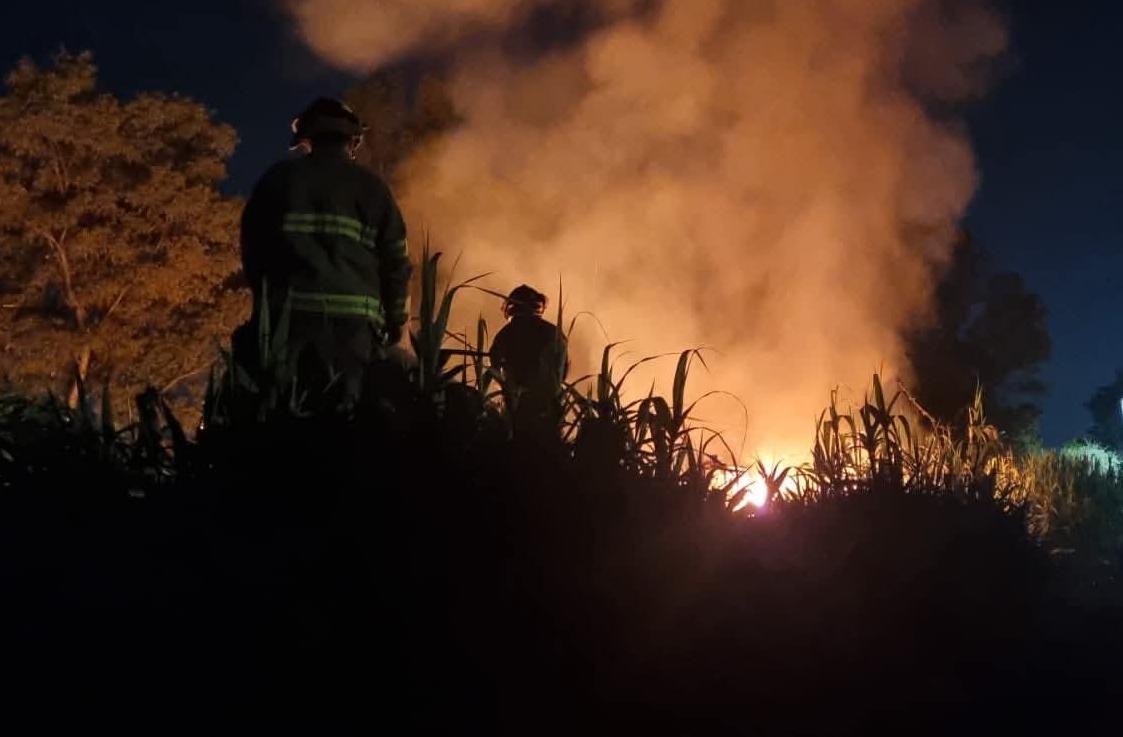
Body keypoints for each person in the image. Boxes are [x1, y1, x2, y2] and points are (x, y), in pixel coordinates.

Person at [235, 97, 412, 409]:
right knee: (350, 416)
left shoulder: (278, 180)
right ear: (353, 140)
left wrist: (267, 304)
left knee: (285, 414)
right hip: (355, 329)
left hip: (289, 325)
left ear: (305, 138)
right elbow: (396, 260)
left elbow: (253, 250)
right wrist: (396, 319)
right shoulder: (373, 189)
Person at [490, 285, 567, 426]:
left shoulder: (505, 335)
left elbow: (494, 371)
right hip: (551, 410)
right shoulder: (554, 333)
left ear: (509, 308)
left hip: (517, 411)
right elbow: (563, 370)